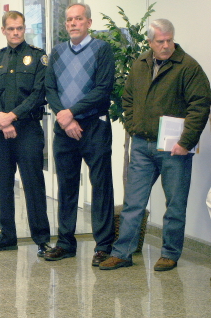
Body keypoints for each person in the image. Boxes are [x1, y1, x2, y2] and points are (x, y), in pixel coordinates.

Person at [100, 19, 211, 271]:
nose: (166, 45)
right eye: (160, 41)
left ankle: (170, 254)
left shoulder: (188, 67)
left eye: (169, 39)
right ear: (150, 42)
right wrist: (132, 124)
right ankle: (123, 252)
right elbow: (127, 98)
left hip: (175, 150)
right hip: (142, 145)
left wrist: (186, 142)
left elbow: (200, 105)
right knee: (133, 203)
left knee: (175, 204)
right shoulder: (140, 64)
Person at [44, 3, 115, 266]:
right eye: (69, 20)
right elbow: (49, 88)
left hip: (94, 127)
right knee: (66, 187)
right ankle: (65, 243)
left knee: (101, 186)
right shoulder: (58, 52)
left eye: (78, 19)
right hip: (65, 131)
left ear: (88, 22)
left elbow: (103, 88)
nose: (73, 23)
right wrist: (64, 117)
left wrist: (71, 112)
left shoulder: (102, 50)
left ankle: (103, 245)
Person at [0, 10, 51, 257]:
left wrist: (13, 116)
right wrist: (2, 118)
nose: (15, 32)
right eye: (11, 29)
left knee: (33, 184)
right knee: (4, 184)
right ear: (3, 31)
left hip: (28, 130)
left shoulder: (38, 57)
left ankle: (42, 239)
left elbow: (38, 93)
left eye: (19, 28)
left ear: (24, 29)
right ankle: (7, 235)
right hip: (1, 132)